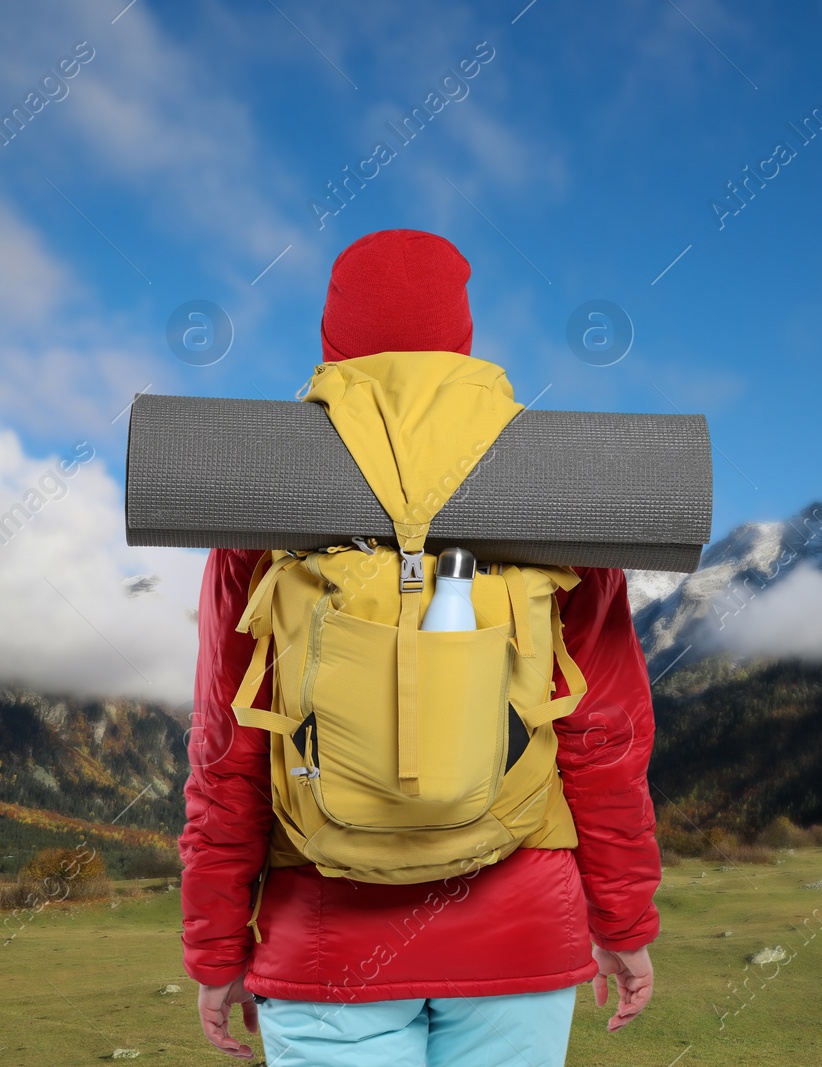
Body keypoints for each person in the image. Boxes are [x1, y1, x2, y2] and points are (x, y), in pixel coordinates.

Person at [178, 229, 661, 1065]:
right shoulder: (559, 483)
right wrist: (622, 920)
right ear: (463, 338)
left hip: (321, 936)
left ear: (331, 339)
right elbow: (605, 737)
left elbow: (228, 749)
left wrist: (217, 946)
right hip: (519, 934)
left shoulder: (265, 492)